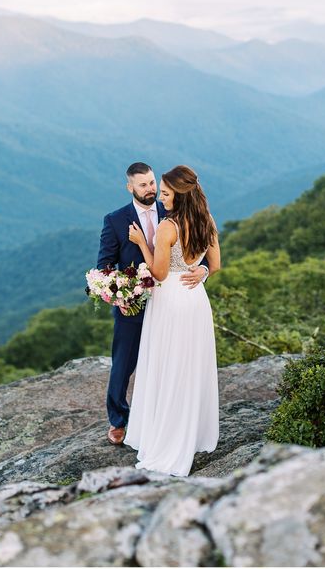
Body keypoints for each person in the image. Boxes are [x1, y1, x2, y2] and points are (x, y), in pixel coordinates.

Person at [97, 162, 210, 445]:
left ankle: (162, 419)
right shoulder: (115, 220)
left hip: (170, 303)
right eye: (143, 185)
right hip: (133, 305)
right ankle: (119, 420)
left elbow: (197, 247)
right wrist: (119, 295)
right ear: (130, 187)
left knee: (167, 363)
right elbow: (105, 265)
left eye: (152, 184)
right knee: (123, 363)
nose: (151, 190)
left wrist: (204, 270)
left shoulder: (172, 209)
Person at [123, 164, 220, 476]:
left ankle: (167, 436)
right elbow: (215, 264)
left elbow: (160, 272)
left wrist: (141, 243)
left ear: (179, 195)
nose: (161, 198)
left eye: (165, 193)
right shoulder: (207, 219)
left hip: (171, 301)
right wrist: (202, 270)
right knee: (189, 367)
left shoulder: (169, 227)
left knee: (168, 366)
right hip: (195, 300)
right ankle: (192, 433)